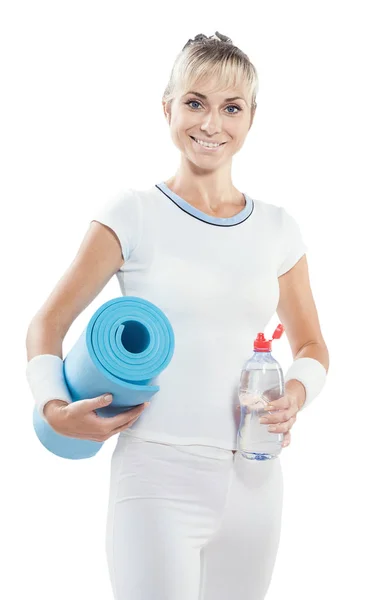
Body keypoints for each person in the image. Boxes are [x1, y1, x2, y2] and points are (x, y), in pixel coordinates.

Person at [26, 32, 329, 600]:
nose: (212, 124)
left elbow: (313, 345)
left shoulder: (278, 229)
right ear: (167, 107)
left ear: (251, 119)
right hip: (156, 476)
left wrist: (295, 393)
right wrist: (52, 405)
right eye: (195, 102)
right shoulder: (133, 213)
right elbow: (47, 322)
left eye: (231, 108)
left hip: (256, 478)